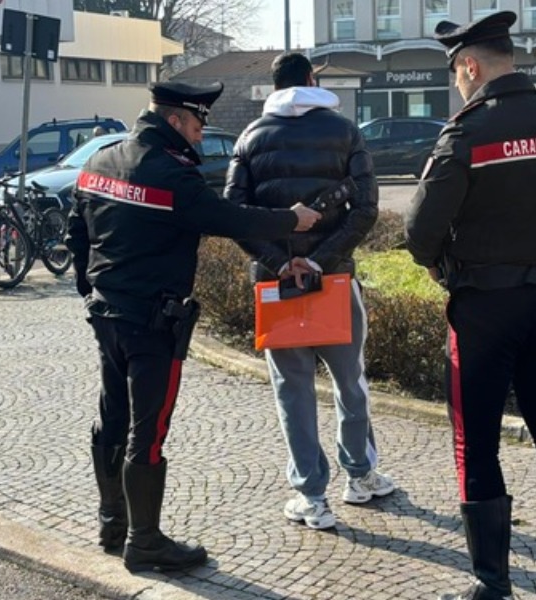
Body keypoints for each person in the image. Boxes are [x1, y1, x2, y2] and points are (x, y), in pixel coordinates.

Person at [65, 81, 322, 574]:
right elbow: (227, 217)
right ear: (177, 120)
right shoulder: (169, 173)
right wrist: (291, 219)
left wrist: (90, 289)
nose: (202, 137)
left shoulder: (100, 161)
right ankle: (145, 542)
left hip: (107, 316)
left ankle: (112, 522)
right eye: (199, 126)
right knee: (150, 429)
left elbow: (77, 232)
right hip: (152, 322)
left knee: (112, 416)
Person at [403, 11, 536, 600]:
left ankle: (492, 586)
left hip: (484, 306)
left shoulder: (466, 134)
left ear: (469, 66)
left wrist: (454, 259)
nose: (459, 86)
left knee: (476, 439)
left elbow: (418, 234)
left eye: (458, 76)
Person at [224, 52, 393, 531]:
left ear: (274, 87)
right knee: (350, 382)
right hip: (335, 280)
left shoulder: (251, 137)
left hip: (276, 288)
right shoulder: (344, 130)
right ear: (313, 80)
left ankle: (311, 497)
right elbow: (365, 209)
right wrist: (321, 260)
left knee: (292, 392)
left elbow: (233, 214)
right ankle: (359, 477)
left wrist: (281, 263)